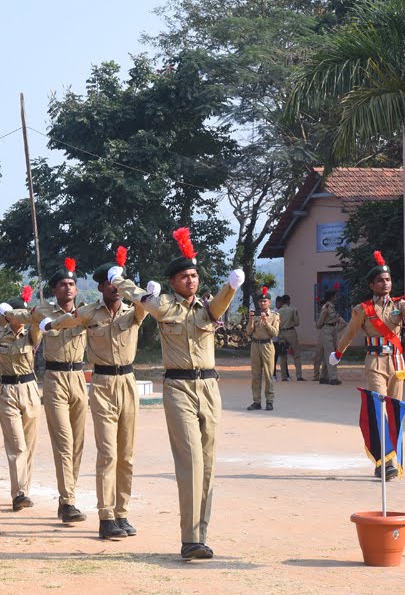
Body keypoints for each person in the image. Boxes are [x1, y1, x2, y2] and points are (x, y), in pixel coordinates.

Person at [111, 227, 244, 560]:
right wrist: (118, 278)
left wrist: (231, 287)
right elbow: (137, 295)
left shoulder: (207, 306)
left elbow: (219, 307)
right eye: (185, 276)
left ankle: (201, 534)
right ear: (173, 281)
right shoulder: (164, 306)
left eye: (194, 275)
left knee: (209, 464)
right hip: (179, 388)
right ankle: (189, 538)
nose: (191, 280)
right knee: (192, 461)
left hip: (209, 387)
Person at [48, 249, 150, 541]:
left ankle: (122, 512)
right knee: (107, 452)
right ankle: (106, 516)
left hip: (128, 381)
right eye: (111, 283)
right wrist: (48, 324)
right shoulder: (90, 313)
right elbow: (66, 321)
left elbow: (146, 302)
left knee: (127, 455)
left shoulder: (135, 311)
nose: (116, 288)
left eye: (120, 283)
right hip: (103, 383)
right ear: (101, 286)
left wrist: (127, 283)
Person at [332, 251, 405, 479]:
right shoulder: (363, 309)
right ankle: (385, 461)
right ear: (372, 284)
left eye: (388, 280)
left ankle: (392, 460)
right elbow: (350, 332)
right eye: (380, 280)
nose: (385, 283)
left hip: (396, 363)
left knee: (395, 411)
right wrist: (338, 352)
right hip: (375, 362)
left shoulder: (399, 305)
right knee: (379, 411)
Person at [32, 259, 89, 524]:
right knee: (64, 440)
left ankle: (68, 495)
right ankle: (68, 501)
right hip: (54, 378)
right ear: (54, 290)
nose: (68, 288)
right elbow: (26, 316)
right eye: (62, 285)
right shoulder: (45, 311)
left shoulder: (86, 313)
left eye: (71, 284)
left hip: (78, 376)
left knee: (77, 443)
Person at [0, 292, 43, 512]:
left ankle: (25, 488)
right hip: (7, 390)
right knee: (17, 445)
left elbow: (36, 321)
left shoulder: (32, 332)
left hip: (30, 389)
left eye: (21, 315)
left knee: (30, 446)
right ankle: (19, 494)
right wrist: (2, 316)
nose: (20, 318)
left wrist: (21, 315)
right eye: (15, 315)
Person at [246, 287, 279, 411]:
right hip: (255, 345)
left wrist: (266, 323)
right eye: (260, 301)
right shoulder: (255, 316)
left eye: (265, 301)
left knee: (268, 374)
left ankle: (269, 401)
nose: (262, 303)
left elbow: (275, 333)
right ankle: (256, 401)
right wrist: (250, 319)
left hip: (267, 346)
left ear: (269, 302)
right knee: (256, 375)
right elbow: (248, 332)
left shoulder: (274, 316)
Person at [314, 288, 343, 385]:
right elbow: (319, 324)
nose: (336, 298)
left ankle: (323, 376)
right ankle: (333, 378)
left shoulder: (332, 307)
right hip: (326, 331)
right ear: (332, 297)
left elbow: (339, 320)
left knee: (329, 354)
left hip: (332, 330)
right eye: (335, 296)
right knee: (331, 354)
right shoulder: (326, 307)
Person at [276, 294, 304, 381]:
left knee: (283, 355)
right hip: (291, 332)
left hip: (281, 333)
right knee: (296, 355)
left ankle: (284, 376)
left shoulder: (278, 312)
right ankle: (299, 376)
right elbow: (297, 323)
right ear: (288, 301)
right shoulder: (292, 310)